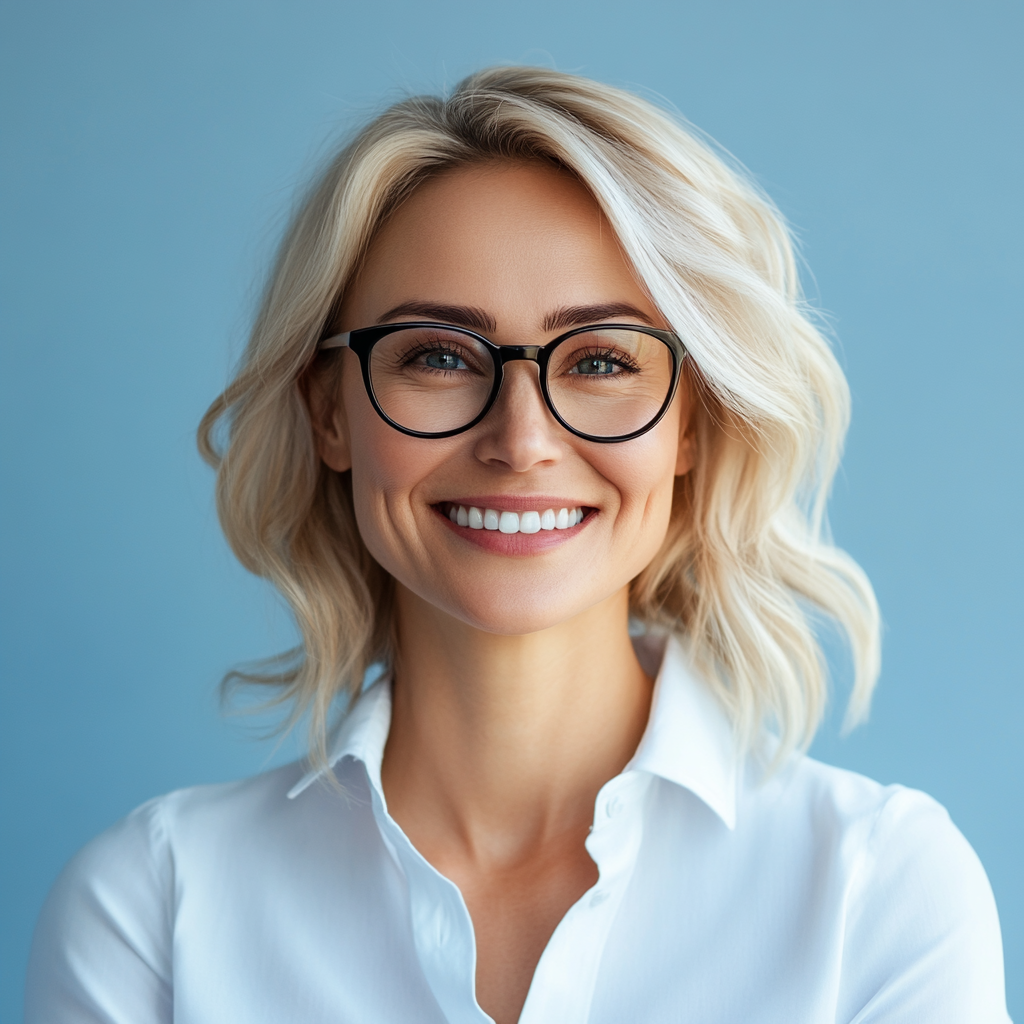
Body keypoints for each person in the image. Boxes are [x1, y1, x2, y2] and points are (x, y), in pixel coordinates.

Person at [25, 66, 1009, 1024]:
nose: (521, 440)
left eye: (603, 361)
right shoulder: (152, 910)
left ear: (692, 425)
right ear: (331, 412)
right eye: (440, 357)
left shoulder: (874, 895)